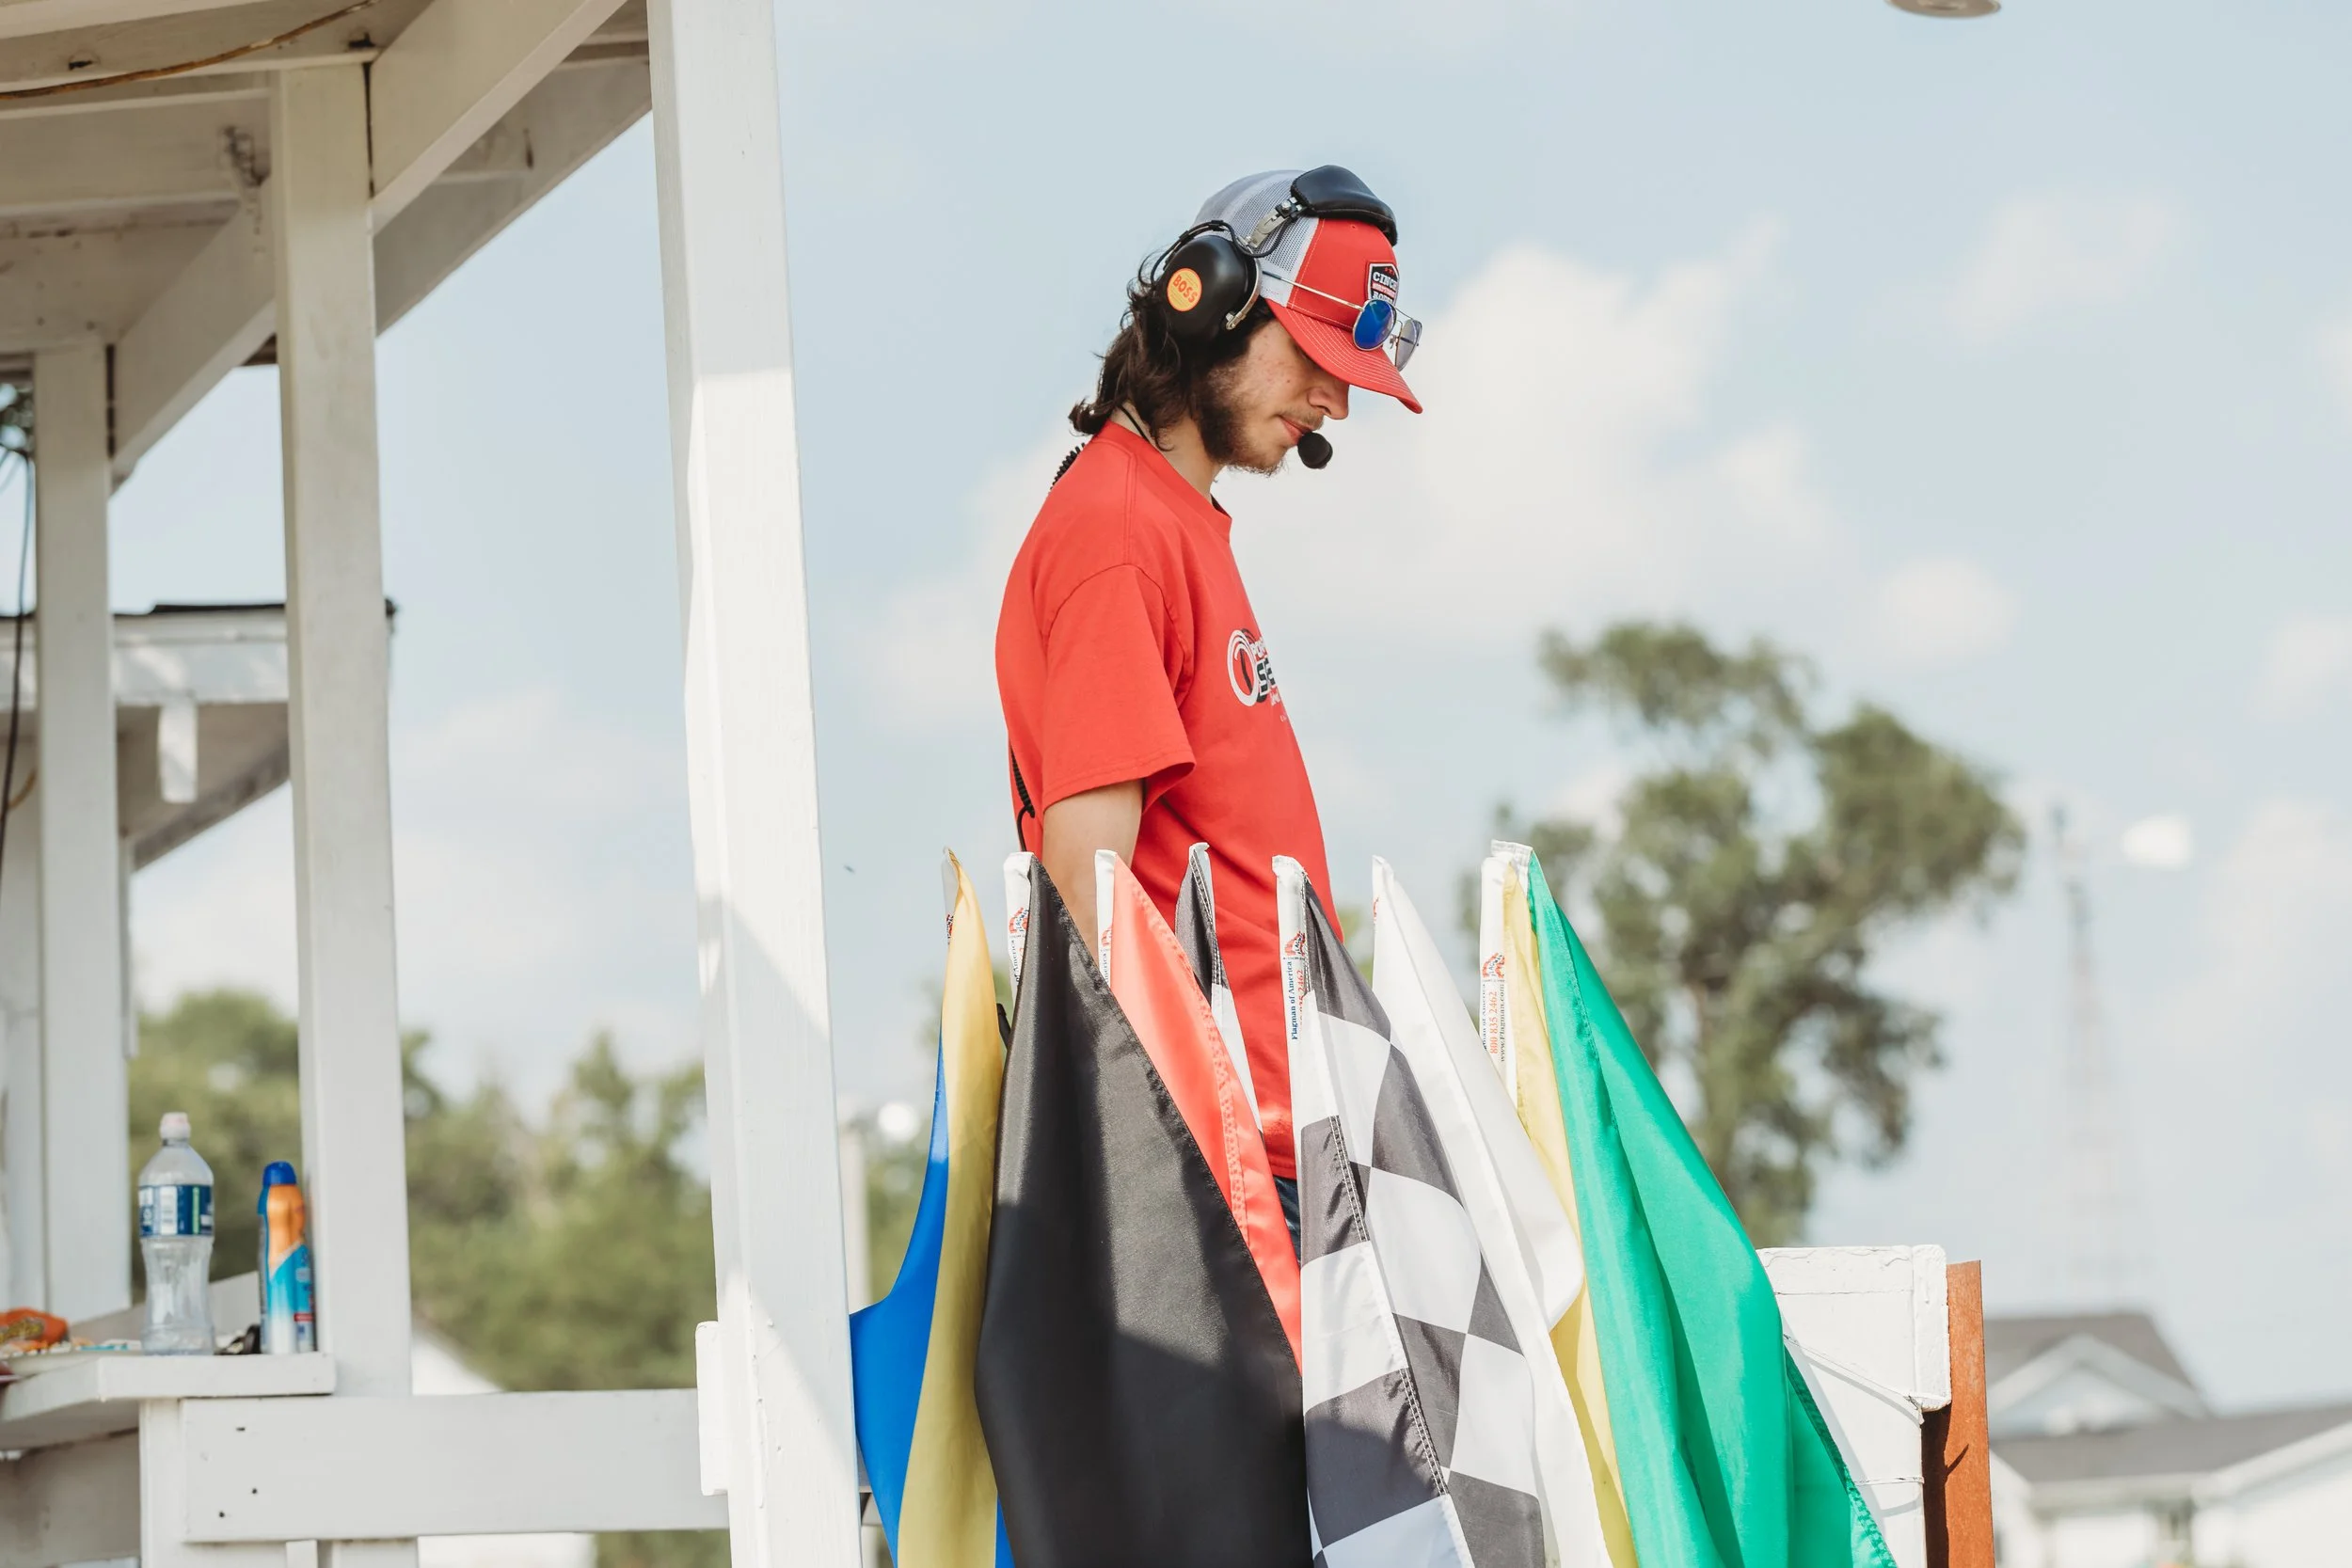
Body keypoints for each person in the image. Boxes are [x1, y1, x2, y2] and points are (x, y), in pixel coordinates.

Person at [993, 166, 1424, 1222]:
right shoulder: (1120, 534)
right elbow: (1087, 899)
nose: (1336, 397)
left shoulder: (1166, 522)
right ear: (1209, 298)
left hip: (1274, 1153)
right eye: (1314, 358)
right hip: (1212, 1167)